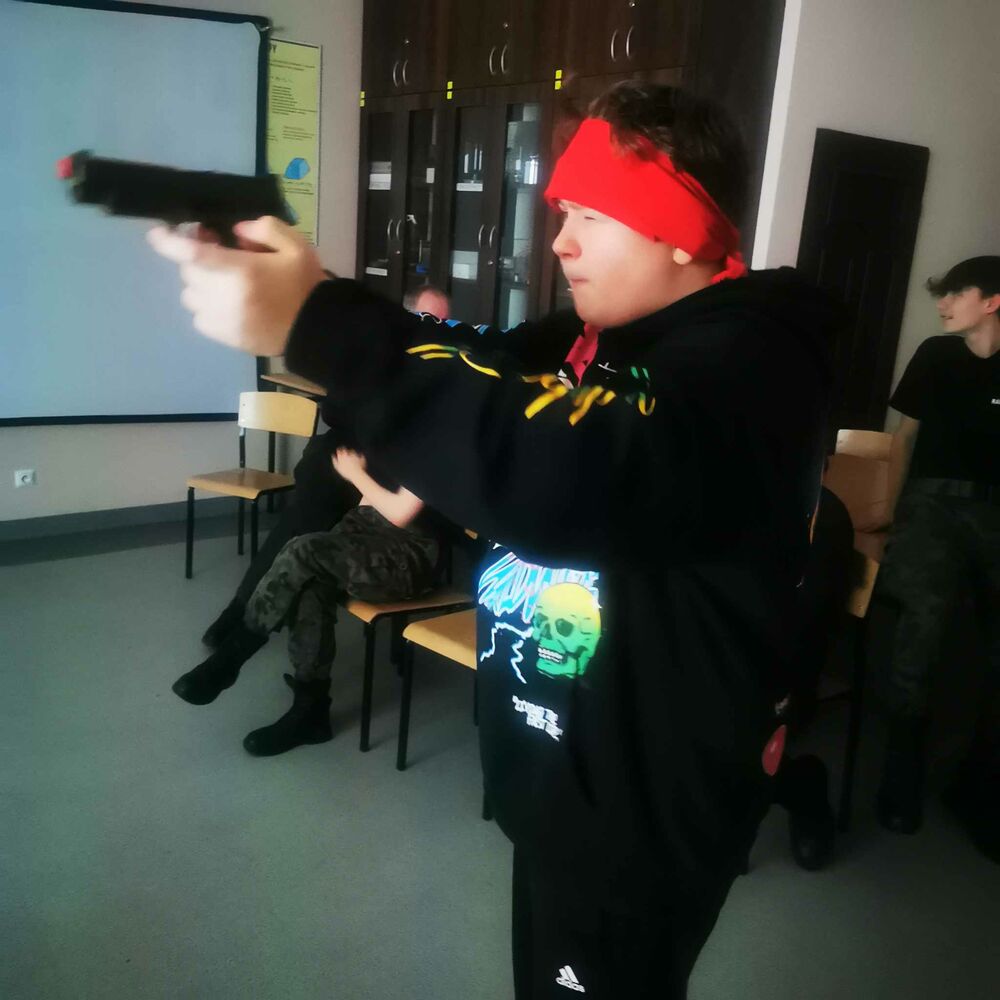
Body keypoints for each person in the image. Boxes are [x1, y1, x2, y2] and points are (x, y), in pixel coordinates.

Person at [150, 82, 845, 998]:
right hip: (561, 776)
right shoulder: (593, 336)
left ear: (682, 230)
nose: (560, 242)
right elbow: (472, 362)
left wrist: (318, 322)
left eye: (591, 215)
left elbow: (568, 465)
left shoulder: (748, 363)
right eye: (562, 213)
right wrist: (313, 293)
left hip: (639, 806)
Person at [199, 286, 454, 651]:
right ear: (407, 316)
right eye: (427, 318)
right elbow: (335, 410)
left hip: (393, 476)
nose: (436, 327)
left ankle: (259, 613)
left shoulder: (448, 367)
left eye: (444, 321)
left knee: (335, 530)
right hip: (349, 457)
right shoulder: (377, 351)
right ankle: (241, 609)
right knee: (303, 517)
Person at [172, 447, 442, 756]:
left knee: (303, 551)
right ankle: (311, 711)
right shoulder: (402, 433)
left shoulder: (441, 440)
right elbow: (373, 501)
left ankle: (230, 659)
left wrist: (355, 472)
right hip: (368, 533)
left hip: (407, 556)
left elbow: (401, 512)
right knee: (310, 583)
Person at [863, 256, 1000, 863]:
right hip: (931, 505)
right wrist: (891, 513)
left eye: (955, 292)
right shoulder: (936, 355)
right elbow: (904, 439)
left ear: (992, 300)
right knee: (922, 625)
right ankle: (901, 773)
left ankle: (980, 783)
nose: (942, 304)